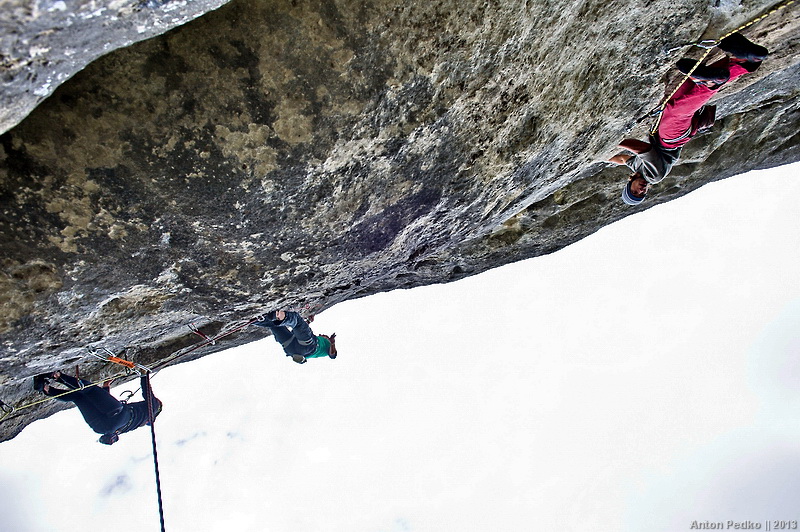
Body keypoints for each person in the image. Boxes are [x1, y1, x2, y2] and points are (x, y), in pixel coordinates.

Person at [610, 32, 768, 205]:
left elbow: (621, 159)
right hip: (670, 139)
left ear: (629, 185)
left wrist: (599, 156)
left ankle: (745, 62)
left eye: (635, 192)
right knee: (676, 111)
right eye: (642, 194)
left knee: (686, 87)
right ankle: (711, 84)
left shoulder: (637, 168)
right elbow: (642, 148)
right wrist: (612, 142)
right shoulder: (653, 176)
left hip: (675, 135)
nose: (641, 190)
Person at [33, 371, 162, 445]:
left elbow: (147, 391)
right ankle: (45, 388)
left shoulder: (155, 407)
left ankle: (57, 376)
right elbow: (106, 407)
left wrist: (144, 374)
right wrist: (106, 387)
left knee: (90, 390)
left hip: (118, 415)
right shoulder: (136, 424)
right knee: (78, 398)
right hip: (102, 428)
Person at [253, 310, 337, 364]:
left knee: (297, 321)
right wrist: (308, 321)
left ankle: (280, 316)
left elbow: (333, 355)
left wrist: (332, 342)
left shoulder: (327, 345)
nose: (321, 335)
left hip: (308, 347)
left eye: (324, 336)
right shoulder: (321, 345)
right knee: (274, 325)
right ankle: (254, 320)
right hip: (292, 349)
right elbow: (298, 333)